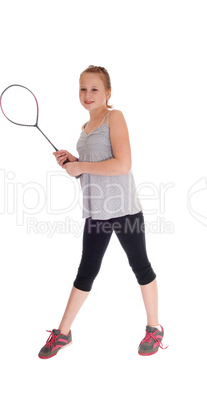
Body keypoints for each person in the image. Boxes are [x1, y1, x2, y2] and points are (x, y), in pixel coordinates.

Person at [38, 65, 168, 359]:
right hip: (96, 212)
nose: (87, 94)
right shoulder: (84, 130)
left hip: (124, 209)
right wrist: (75, 162)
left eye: (94, 89)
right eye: (83, 89)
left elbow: (123, 165)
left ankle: (154, 328)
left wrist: (81, 165)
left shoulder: (114, 117)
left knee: (141, 267)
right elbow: (95, 170)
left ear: (107, 93)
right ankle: (63, 334)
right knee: (86, 272)